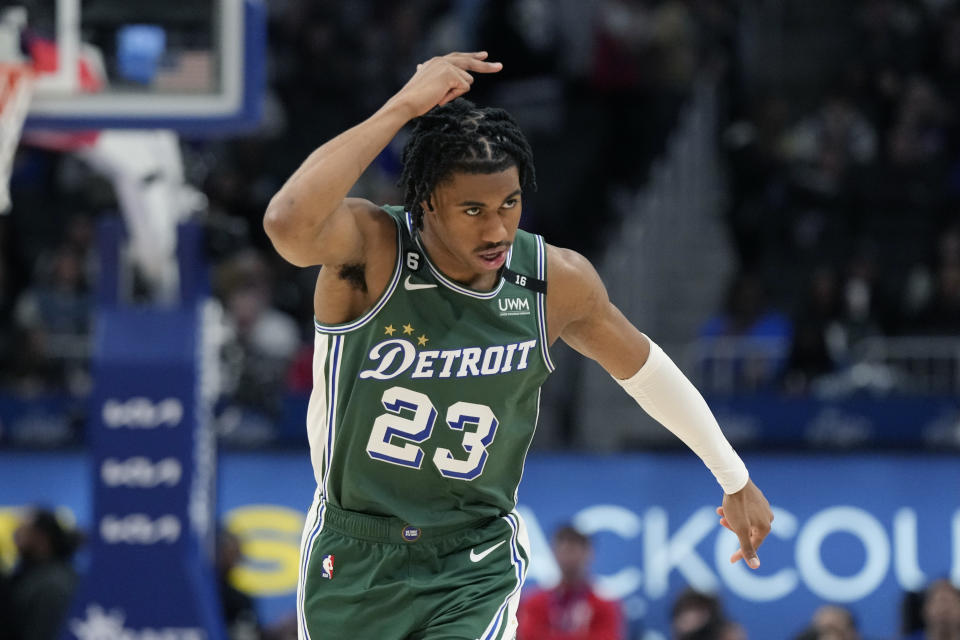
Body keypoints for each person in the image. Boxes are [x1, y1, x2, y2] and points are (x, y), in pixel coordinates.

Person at [263, 50, 773, 640]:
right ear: (426, 202)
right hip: (353, 549)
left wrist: (734, 478)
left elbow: (645, 370)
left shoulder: (551, 279)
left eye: (510, 204)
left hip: (473, 558)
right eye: (473, 210)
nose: (498, 229)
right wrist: (403, 105)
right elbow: (288, 221)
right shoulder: (372, 250)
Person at [516, 525, 622, 640]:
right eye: (563, 551)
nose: (568, 558)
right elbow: (527, 635)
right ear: (554, 553)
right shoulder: (535, 601)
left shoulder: (604, 603)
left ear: (589, 553)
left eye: (573, 550)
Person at [6, 507, 82, 640]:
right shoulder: (28, 575)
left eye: (23, 530)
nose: (16, 536)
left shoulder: (54, 584)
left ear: (41, 537)